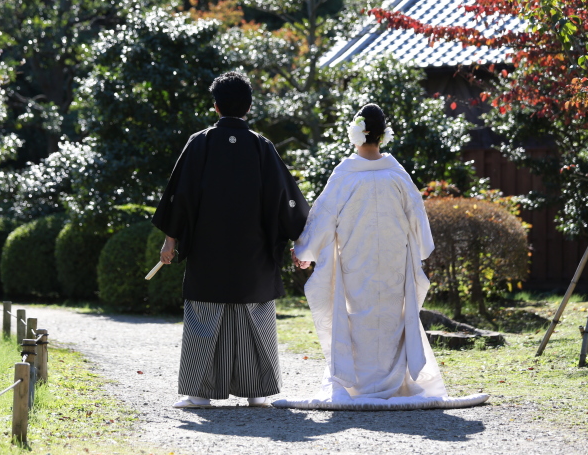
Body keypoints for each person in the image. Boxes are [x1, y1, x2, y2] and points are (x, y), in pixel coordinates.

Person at [275, 104, 489, 410]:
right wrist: (419, 250)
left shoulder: (345, 174)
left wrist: (304, 250)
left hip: (355, 260)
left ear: (355, 133)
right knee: (391, 319)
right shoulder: (396, 174)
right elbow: (417, 219)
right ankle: (395, 381)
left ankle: (357, 383)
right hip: (393, 260)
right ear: (383, 134)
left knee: (357, 319)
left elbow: (324, 217)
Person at [151, 71, 309, 409]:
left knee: (203, 316)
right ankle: (257, 391)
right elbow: (286, 200)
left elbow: (180, 196)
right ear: (248, 107)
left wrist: (170, 241)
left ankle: (199, 393)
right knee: (255, 317)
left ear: (216, 106)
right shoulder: (261, 146)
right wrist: (300, 242)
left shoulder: (200, 143)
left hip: (208, 249)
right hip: (254, 253)